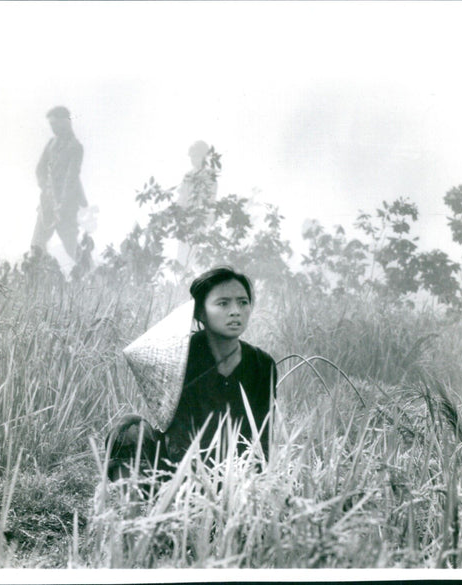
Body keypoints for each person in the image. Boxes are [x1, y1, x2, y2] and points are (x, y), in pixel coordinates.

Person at [106, 267, 277, 485]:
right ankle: (134, 512)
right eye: (223, 303)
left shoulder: (262, 364)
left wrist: (250, 484)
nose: (236, 311)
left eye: (243, 302)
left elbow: (263, 435)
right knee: (128, 429)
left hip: (237, 474)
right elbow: (177, 436)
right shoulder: (179, 357)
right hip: (179, 470)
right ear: (200, 312)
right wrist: (194, 483)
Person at [30, 106, 88, 261]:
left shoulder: (75, 147)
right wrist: (46, 188)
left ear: (66, 122)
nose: (52, 128)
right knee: (36, 246)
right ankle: (36, 282)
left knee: (73, 249)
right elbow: (39, 170)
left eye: (55, 124)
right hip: (47, 204)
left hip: (66, 207)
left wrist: (61, 204)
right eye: (51, 125)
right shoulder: (51, 144)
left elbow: (71, 178)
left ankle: (95, 280)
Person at [176, 141, 218, 271]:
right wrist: (178, 214)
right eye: (191, 156)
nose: (193, 160)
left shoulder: (209, 175)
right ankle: (181, 283)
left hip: (201, 220)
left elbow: (210, 198)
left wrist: (203, 215)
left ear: (204, 157)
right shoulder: (188, 175)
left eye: (196, 156)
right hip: (186, 221)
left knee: (198, 255)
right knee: (182, 254)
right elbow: (181, 198)